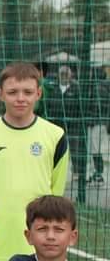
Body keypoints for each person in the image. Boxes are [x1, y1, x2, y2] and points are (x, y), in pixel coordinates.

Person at [0, 62, 69, 261]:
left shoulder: (55, 136)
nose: (20, 98)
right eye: (13, 92)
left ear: (38, 93)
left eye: (28, 92)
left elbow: (55, 197)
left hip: (36, 244)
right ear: (0, 94)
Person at [41, 65, 90, 197]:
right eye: (61, 74)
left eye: (65, 74)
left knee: (75, 150)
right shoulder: (54, 89)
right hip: (57, 126)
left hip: (73, 125)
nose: (63, 76)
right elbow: (48, 105)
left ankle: (77, 174)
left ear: (70, 75)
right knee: (55, 150)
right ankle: (52, 173)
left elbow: (81, 107)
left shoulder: (76, 89)